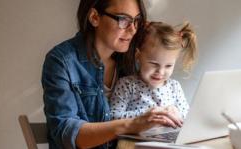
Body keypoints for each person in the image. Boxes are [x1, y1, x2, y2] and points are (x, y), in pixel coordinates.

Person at [42, 0, 182, 148]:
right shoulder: (62, 61)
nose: (133, 29)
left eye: (137, 20)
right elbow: (66, 133)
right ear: (94, 17)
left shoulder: (135, 60)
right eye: (123, 19)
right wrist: (134, 123)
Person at [110, 21, 197, 121]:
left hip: (167, 135)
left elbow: (187, 117)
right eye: (154, 64)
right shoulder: (127, 85)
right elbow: (113, 116)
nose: (160, 71)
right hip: (135, 136)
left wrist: (176, 113)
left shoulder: (174, 87)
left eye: (168, 66)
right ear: (138, 55)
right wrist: (149, 114)